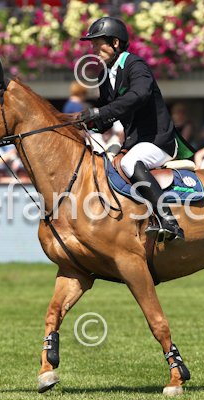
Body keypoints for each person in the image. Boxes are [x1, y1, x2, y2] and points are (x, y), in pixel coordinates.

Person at [78, 16, 187, 241]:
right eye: (92, 45)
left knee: (129, 163)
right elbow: (106, 115)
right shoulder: (104, 75)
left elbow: (138, 95)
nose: (94, 50)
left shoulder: (135, 65)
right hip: (135, 142)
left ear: (115, 43)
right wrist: (84, 122)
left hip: (158, 140)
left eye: (98, 44)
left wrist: (100, 112)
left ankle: (169, 220)